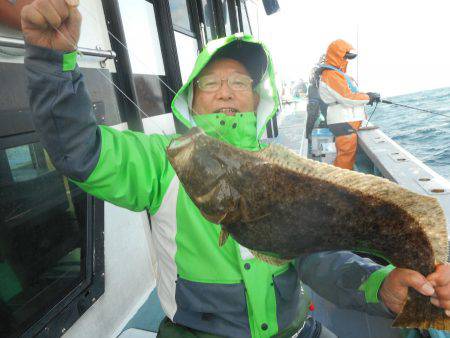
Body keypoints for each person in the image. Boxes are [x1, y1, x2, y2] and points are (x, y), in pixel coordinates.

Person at [20, 1, 450, 337]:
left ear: (256, 96)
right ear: (192, 96)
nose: (226, 92)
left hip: (294, 328)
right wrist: (51, 63)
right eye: (211, 82)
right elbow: (77, 150)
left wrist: (381, 286)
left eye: (240, 82)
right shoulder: (166, 157)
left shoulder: (285, 167)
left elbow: (314, 256)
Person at [318, 39, 380, 170]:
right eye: (344, 57)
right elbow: (346, 98)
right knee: (345, 158)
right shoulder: (331, 74)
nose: (346, 60)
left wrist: (366, 96)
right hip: (343, 122)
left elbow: (349, 93)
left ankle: (341, 182)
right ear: (336, 56)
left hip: (347, 121)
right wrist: (368, 98)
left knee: (346, 156)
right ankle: (339, 187)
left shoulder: (336, 74)